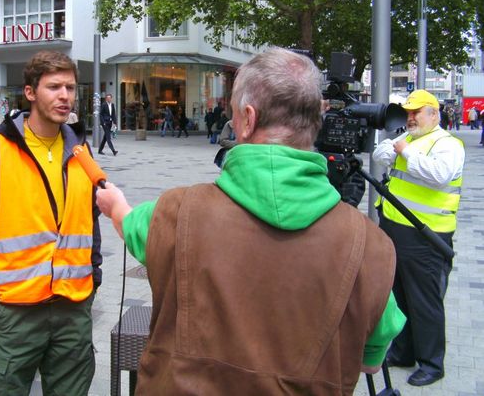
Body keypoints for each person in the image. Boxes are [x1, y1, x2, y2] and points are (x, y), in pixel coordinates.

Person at [96, 47, 405, 394]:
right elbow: (371, 361)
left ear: (248, 117)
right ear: (317, 120)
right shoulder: (373, 248)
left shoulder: (175, 211)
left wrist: (115, 205)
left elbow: (132, 227)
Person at [0, 51, 102, 396]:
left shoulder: (81, 152)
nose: (65, 96)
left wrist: (94, 275)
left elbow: (88, 222)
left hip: (73, 310)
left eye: (70, 87)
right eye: (54, 87)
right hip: (14, 315)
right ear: (30, 93)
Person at [372, 89, 464, 387]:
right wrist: (399, 148)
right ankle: (403, 352)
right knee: (399, 296)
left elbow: (439, 174)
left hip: (426, 235)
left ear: (434, 114)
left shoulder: (447, 144)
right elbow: (379, 154)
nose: (410, 118)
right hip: (397, 230)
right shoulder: (408, 139)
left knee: (425, 301)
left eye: (417, 112)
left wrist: (405, 151)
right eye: (408, 112)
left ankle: (432, 363)